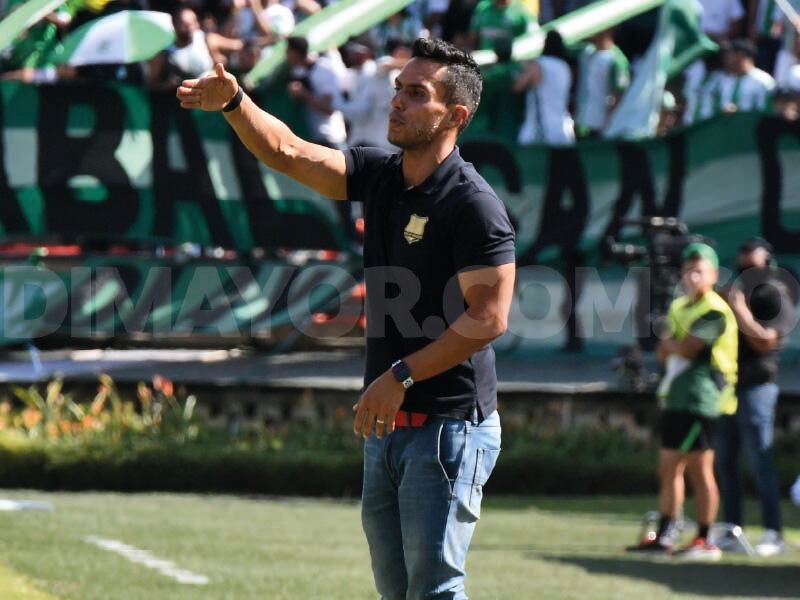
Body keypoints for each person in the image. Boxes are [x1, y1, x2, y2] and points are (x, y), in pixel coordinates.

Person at [177, 36, 516, 599]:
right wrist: (238, 104)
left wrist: (401, 376)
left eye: (416, 93)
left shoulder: (473, 204)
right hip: (387, 425)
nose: (397, 102)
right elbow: (289, 153)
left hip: (449, 428)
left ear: (455, 115)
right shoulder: (383, 176)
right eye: (397, 89)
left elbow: (489, 319)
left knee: (433, 590)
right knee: (395, 591)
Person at [628, 243, 737, 561]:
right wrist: (673, 344)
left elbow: (686, 348)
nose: (692, 276)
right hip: (677, 398)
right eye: (688, 270)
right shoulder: (680, 307)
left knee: (698, 469)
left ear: (714, 275)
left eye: (699, 270)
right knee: (668, 468)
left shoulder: (715, 310)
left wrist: (673, 344)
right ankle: (665, 535)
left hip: (702, 400)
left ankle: (705, 539)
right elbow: (664, 349)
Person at [715, 238, 797, 556]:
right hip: (729, 388)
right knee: (725, 463)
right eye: (742, 267)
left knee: (759, 460)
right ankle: (731, 531)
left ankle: (773, 533)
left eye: (753, 267)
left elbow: (766, 343)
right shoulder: (731, 294)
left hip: (758, 389)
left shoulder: (775, 295)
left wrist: (738, 308)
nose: (746, 273)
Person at [514, 29, 574, 146]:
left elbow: (517, 86)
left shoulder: (537, 64)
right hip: (563, 131)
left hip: (538, 133)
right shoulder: (565, 67)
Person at [574, 28, 630, 138]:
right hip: (580, 121)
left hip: (599, 126)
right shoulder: (586, 52)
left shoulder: (618, 60)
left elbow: (620, 95)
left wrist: (608, 123)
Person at [468, 0, 536, 51]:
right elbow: (473, 35)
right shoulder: (482, 7)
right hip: (485, 61)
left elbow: (534, 39)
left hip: (511, 64)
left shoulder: (522, 10)